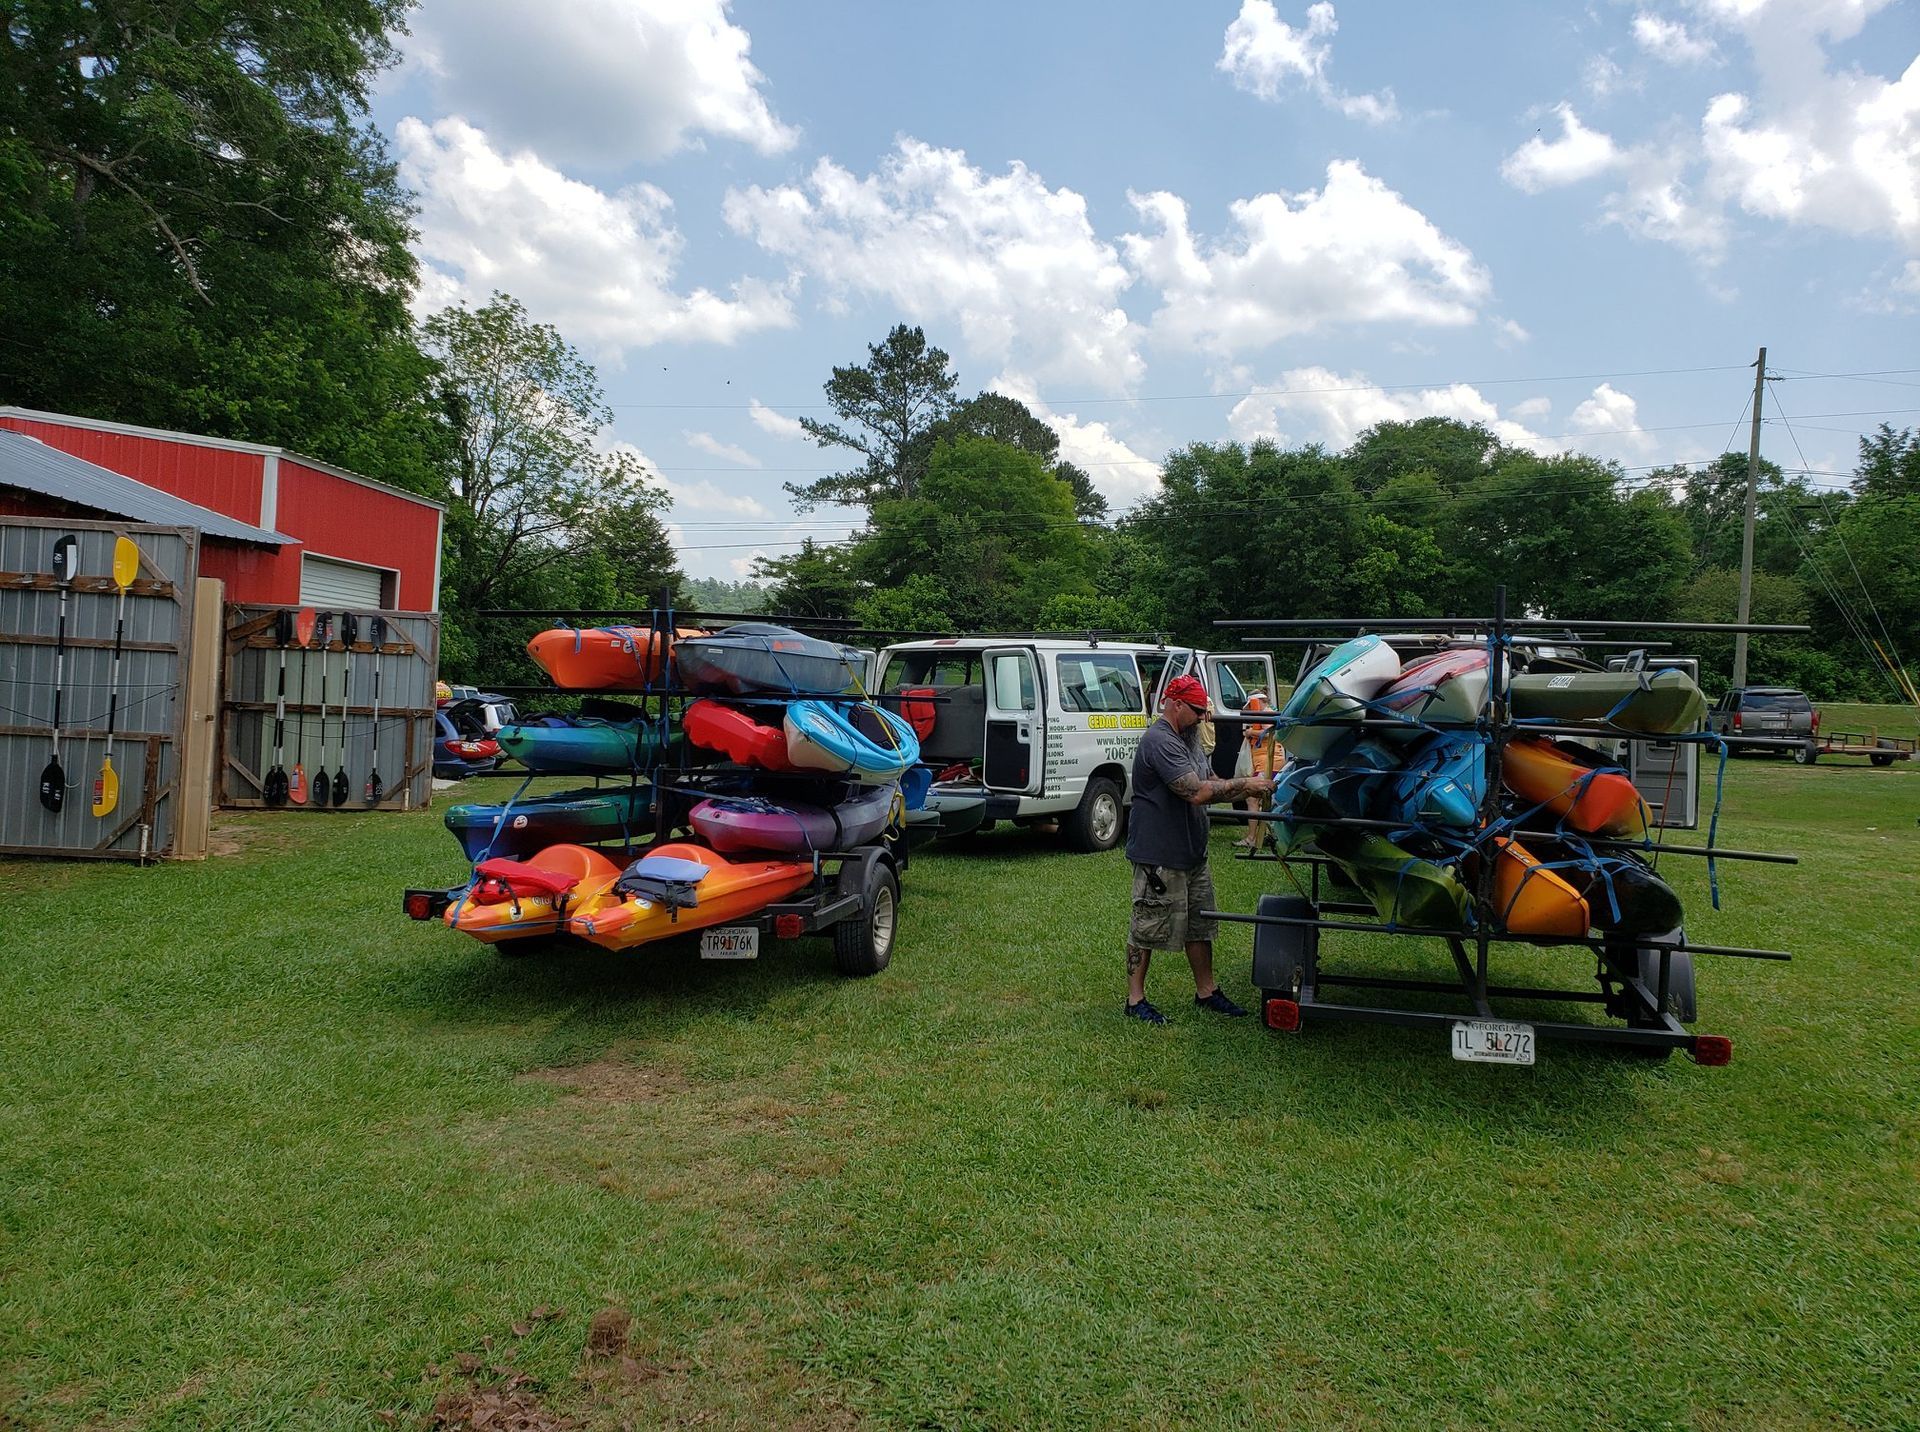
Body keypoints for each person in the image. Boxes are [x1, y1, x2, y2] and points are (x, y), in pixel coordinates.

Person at [1124, 673, 1276, 1024]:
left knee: (1200, 926)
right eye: (1198, 711)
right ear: (1175, 705)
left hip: (1193, 854)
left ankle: (1206, 992)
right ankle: (1134, 1000)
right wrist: (1247, 783)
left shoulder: (1189, 738)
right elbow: (1195, 792)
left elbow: (1213, 782)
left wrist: (1249, 790)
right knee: (1146, 926)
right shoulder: (1159, 741)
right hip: (1159, 856)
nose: (1204, 718)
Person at [1232, 688, 1278, 853]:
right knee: (1263, 799)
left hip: (1268, 762)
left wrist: (1251, 732)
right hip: (1264, 761)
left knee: (1253, 798)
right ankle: (1261, 835)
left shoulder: (1266, 713)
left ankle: (1252, 838)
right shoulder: (1268, 711)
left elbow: (1268, 733)